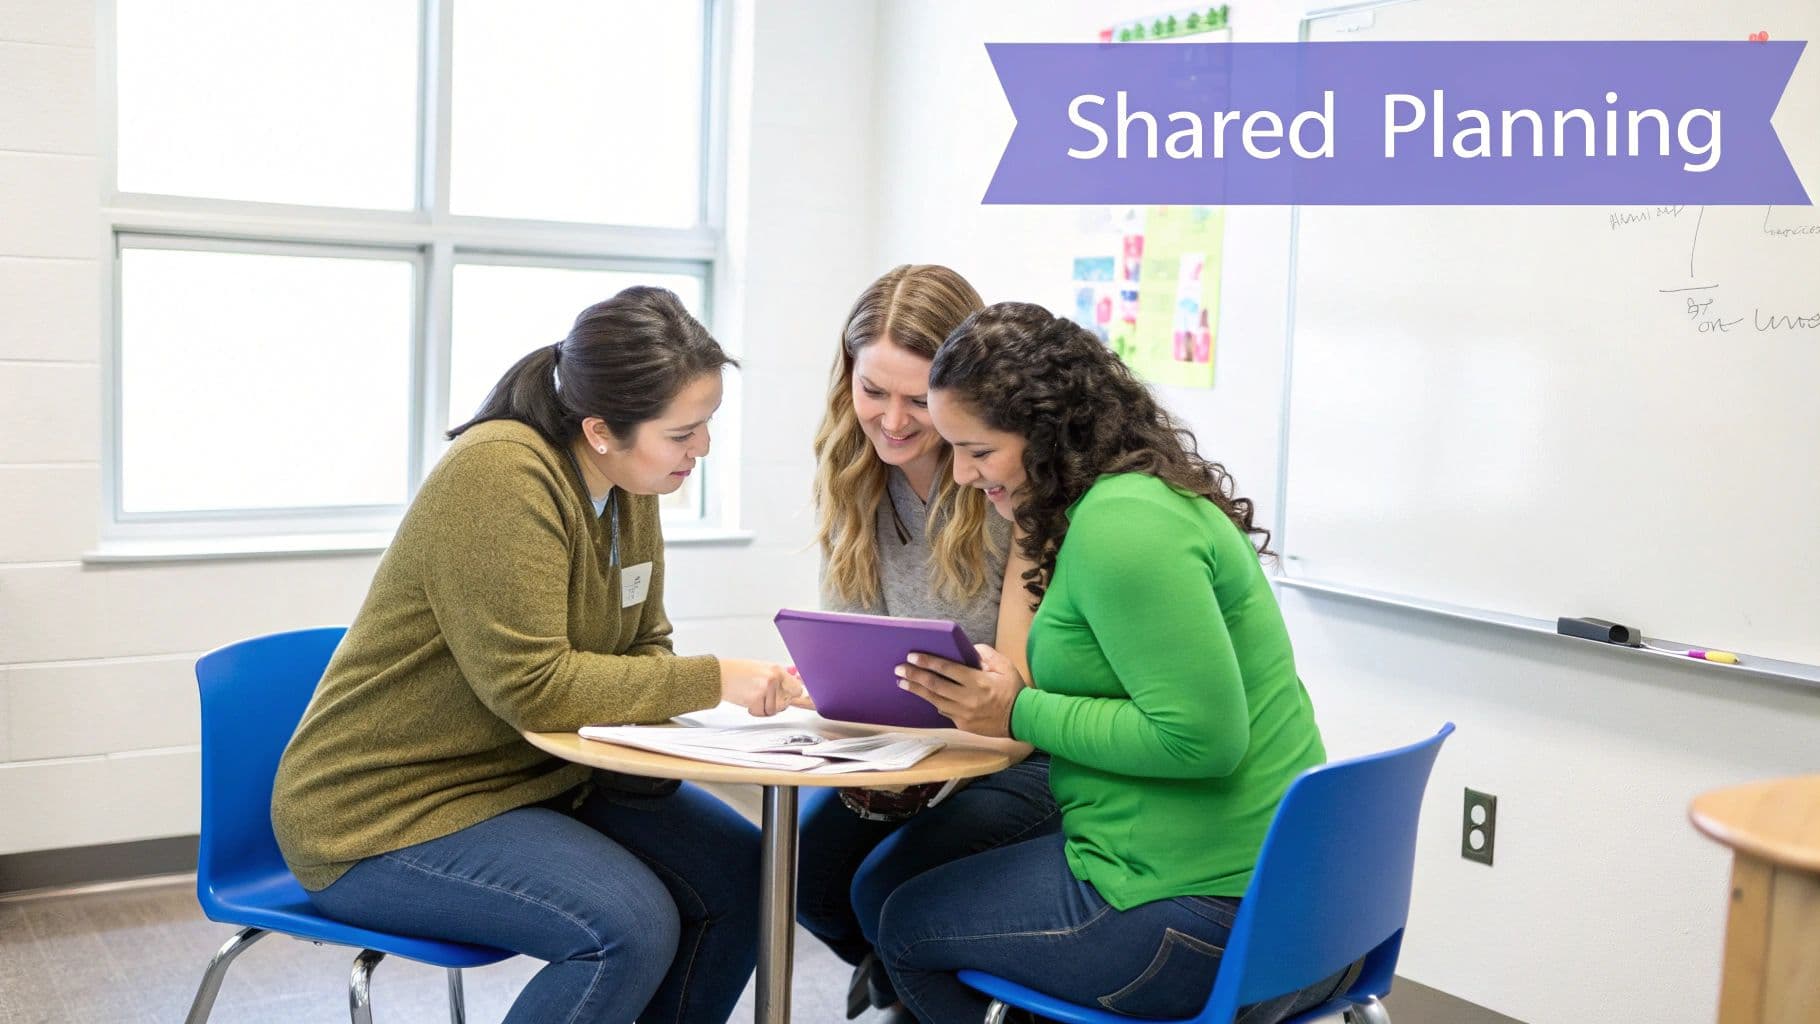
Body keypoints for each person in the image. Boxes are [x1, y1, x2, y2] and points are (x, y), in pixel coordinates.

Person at [271, 287, 802, 1024]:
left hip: (541, 777)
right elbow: (535, 688)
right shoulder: (498, 474)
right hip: (388, 812)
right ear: (601, 429)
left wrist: (687, 714)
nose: (702, 449)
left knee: (749, 880)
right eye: (684, 433)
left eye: (706, 425)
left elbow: (643, 643)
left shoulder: (627, 479)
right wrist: (717, 681)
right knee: (626, 927)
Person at [880, 302, 1347, 1024]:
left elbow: (1200, 739)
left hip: (1206, 918)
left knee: (906, 924)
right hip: (1293, 911)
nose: (965, 476)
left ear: (1045, 431)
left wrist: (1016, 710)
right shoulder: (1139, 500)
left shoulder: (1121, 528)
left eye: (978, 450)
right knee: (920, 886)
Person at [800, 267, 1062, 1020]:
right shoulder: (853, 469)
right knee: (806, 877)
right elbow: (853, 646)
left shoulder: (1008, 476)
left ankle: (910, 975)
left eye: (918, 400)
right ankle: (897, 967)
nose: (892, 420)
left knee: (890, 891)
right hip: (908, 739)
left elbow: (1018, 681)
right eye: (872, 390)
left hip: (1021, 742)